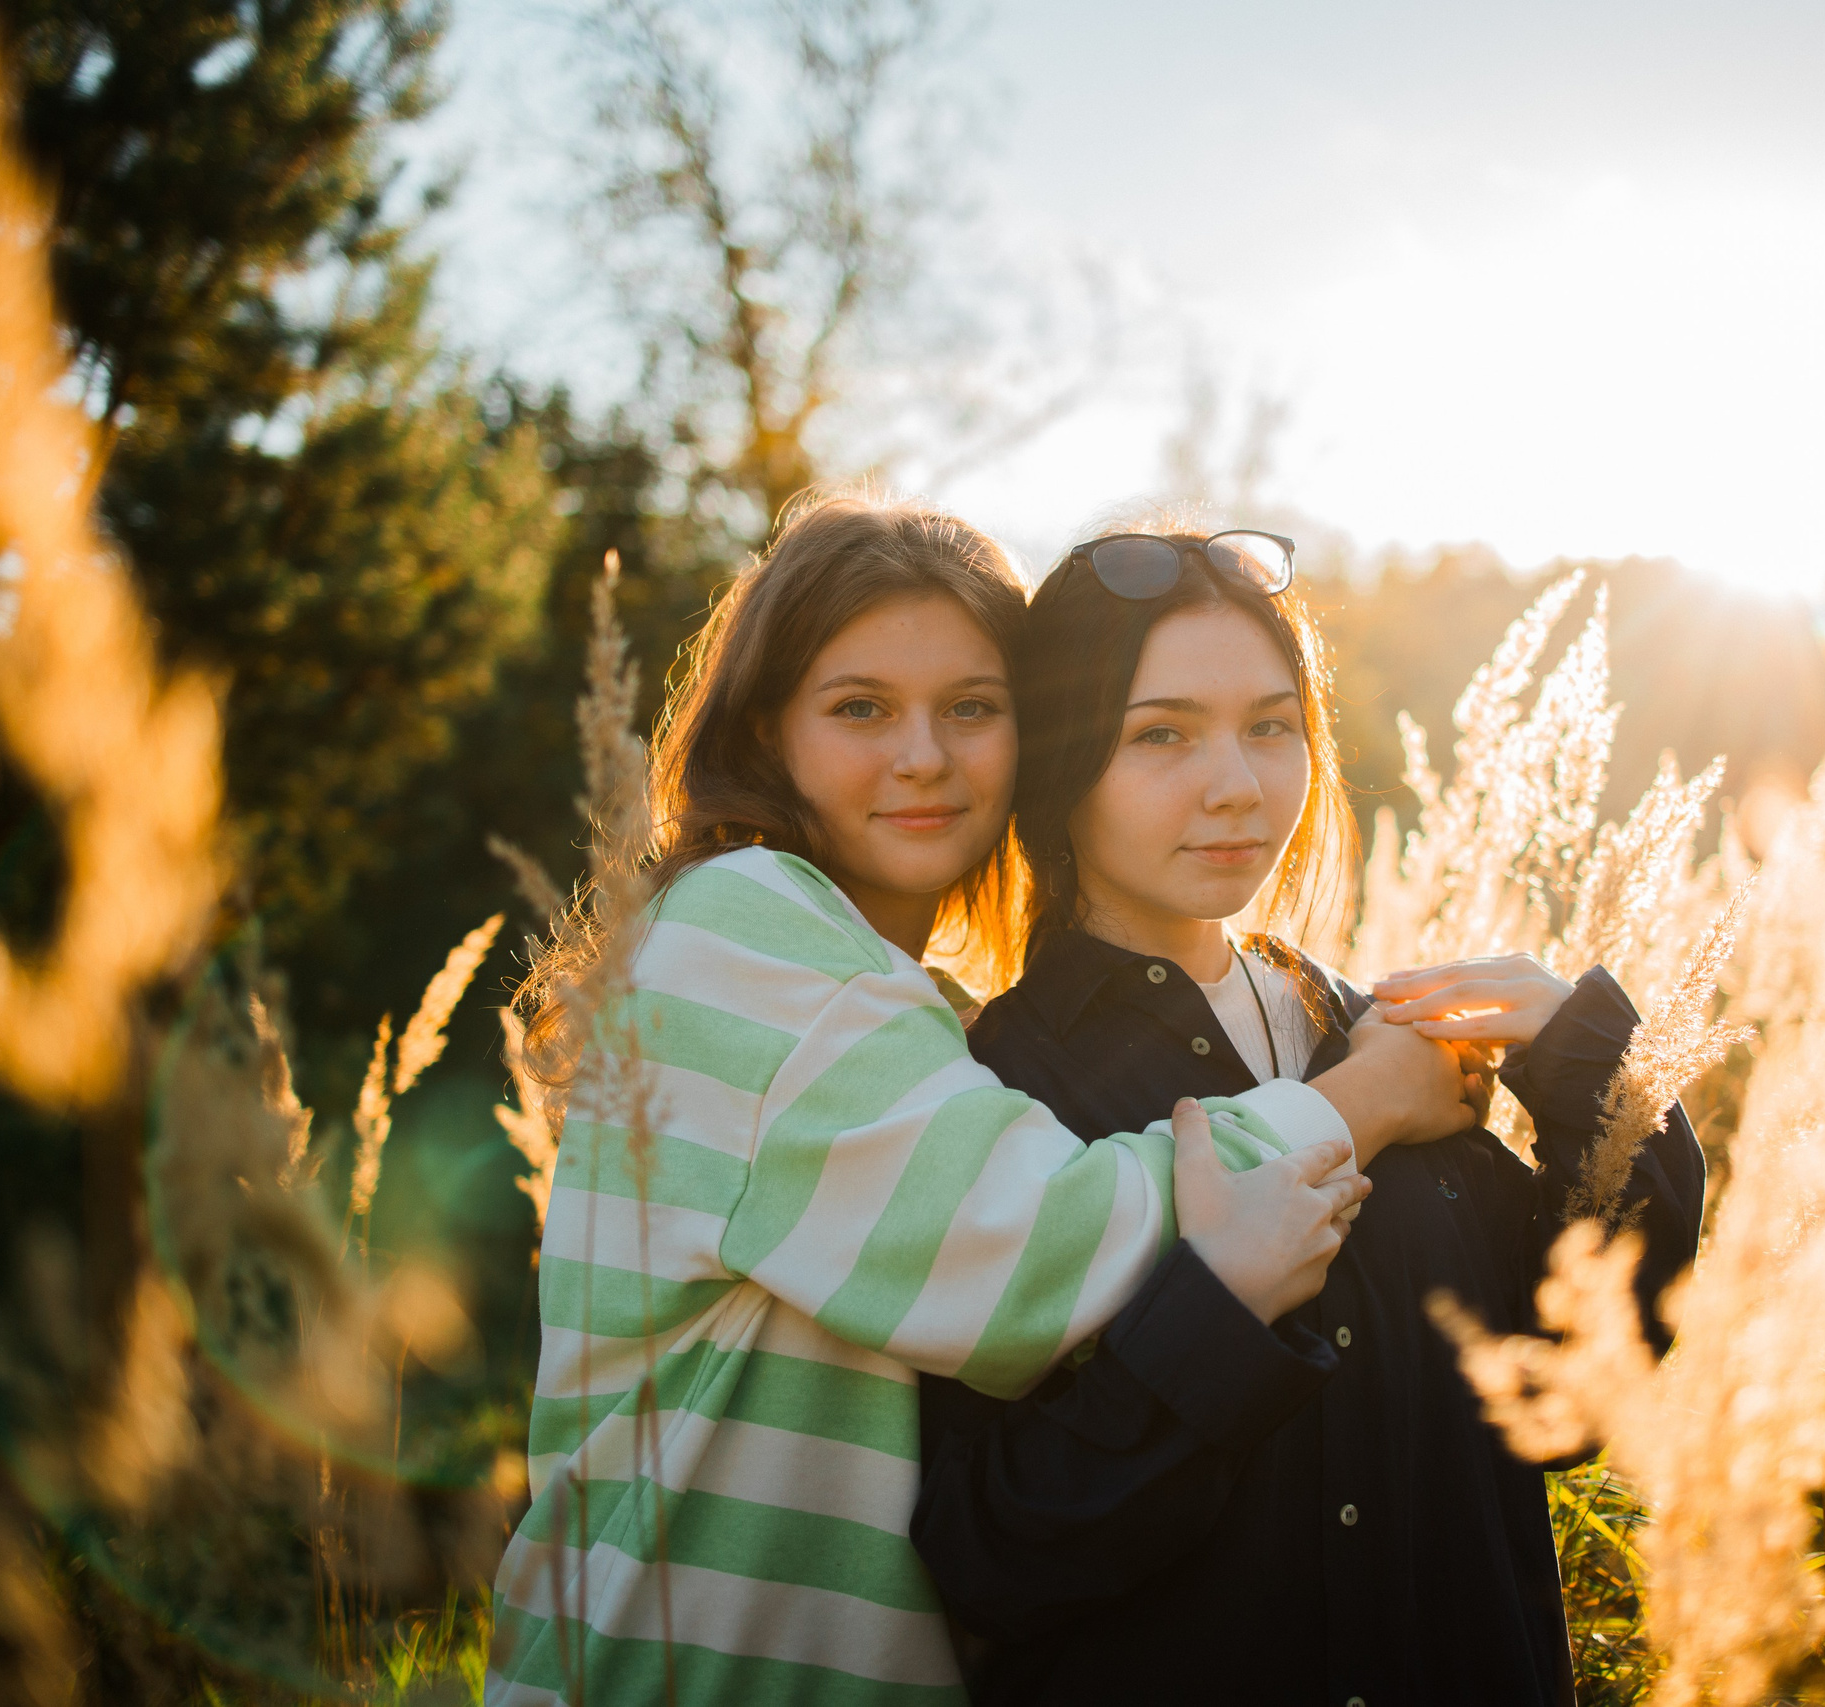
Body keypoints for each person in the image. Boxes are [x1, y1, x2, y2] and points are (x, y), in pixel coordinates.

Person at [485, 495, 1476, 1707]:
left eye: (972, 709)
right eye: (861, 709)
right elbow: (1038, 1253)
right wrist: (1366, 1097)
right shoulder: (737, 931)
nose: (924, 757)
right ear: (766, 731)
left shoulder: (922, 1022)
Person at [910, 521, 1705, 1707]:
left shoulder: (1386, 1039)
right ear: (1062, 758)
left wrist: (1585, 1059)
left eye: (1270, 726)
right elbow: (996, 1555)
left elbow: (1577, 1389)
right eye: (1162, 733)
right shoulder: (999, 1089)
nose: (1236, 784)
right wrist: (1216, 1318)